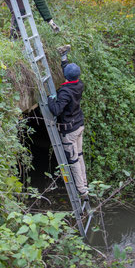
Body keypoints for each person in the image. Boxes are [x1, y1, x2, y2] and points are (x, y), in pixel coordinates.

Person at [48, 45, 88, 199]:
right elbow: (69, 72)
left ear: (65, 76)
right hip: (78, 126)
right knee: (79, 155)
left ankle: (81, 190)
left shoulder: (65, 91)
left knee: (73, 161)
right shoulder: (79, 84)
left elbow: (56, 110)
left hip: (70, 132)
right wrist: (64, 58)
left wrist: (50, 99)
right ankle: (84, 183)